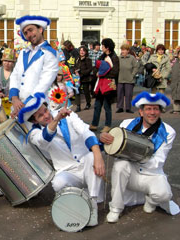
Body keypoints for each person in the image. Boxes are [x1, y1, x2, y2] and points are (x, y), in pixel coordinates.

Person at [19, 93, 105, 227]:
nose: (46, 115)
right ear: (34, 121)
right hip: (68, 171)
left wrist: (98, 155)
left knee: (91, 156)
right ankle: (80, 204)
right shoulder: (34, 134)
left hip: (87, 164)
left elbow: (85, 131)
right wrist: (57, 119)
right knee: (58, 183)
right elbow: (45, 138)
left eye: (45, 110)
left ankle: (93, 205)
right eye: (40, 115)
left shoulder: (67, 114)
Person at [101, 91, 180, 223]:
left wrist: (133, 153)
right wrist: (104, 138)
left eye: (155, 109)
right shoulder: (126, 124)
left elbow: (158, 161)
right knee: (120, 166)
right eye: (148, 109)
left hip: (151, 174)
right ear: (141, 112)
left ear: (160, 111)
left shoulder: (168, 132)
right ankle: (115, 208)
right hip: (130, 173)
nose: (152, 112)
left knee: (164, 195)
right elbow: (114, 146)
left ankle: (150, 200)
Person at [9, 15, 59, 117]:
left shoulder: (50, 53)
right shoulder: (24, 52)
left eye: (31, 30)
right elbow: (15, 75)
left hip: (38, 108)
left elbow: (44, 83)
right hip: (18, 106)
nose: (29, 35)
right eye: (25, 33)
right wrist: (14, 98)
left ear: (40, 29)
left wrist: (25, 105)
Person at [89, 38, 119, 133]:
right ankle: (94, 124)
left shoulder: (114, 57)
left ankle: (107, 125)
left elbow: (115, 72)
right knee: (97, 105)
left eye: (103, 46)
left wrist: (102, 74)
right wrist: (96, 72)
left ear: (107, 47)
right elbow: (96, 67)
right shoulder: (101, 56)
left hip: (108, 86)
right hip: (100, 85)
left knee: (107, 106)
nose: (101, 47)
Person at [116, 43, 138, 113]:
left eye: (124, 50)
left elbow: (136, 67)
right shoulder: (118, 58)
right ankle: (120, 107)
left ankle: (128, 108)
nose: (122, 51)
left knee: (128, 94)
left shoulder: (132, 58)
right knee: (119, 94)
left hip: (129, 79)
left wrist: (133, 75)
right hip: (120, 79)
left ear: (128, 51)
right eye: (122, 50)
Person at [73, 45, 93, 112]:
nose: (81, 52)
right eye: (80, 50)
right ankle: (78, 106)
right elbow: (74, 67)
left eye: (83, 50)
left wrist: (81, 73)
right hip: (78, 79)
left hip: (85, 78)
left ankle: (88, 103)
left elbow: (90, 69)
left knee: (86, 91)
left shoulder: (88, 60)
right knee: (77, 91)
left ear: (85, 52)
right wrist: (75, 71)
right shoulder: (77, 59)